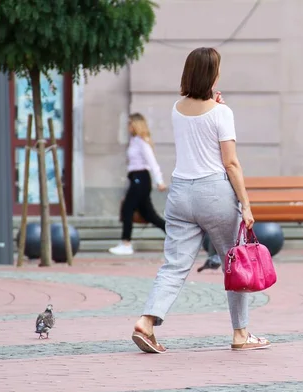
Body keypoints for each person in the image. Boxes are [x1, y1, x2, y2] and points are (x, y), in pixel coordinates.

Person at [131, 47, 270, 353]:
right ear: (212, 75)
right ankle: (241, 334)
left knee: (174, 265)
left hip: (181, 194)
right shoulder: (223, 112)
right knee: (234, 263)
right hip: (214, 194)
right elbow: (231, 163)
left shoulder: (176, 109)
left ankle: (146, 321)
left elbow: (196, 120)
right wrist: (246, 205)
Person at [109, 113, 167, 256]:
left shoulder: (142, 141)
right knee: (150, 215)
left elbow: (152, 162)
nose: (128, 127)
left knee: (128, 209)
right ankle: (177, 237)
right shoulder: (134, 141)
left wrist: (159, 181)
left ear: (136, 125)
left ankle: (126, 243)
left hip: (141, 179)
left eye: (130, 123)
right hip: (135, 178)